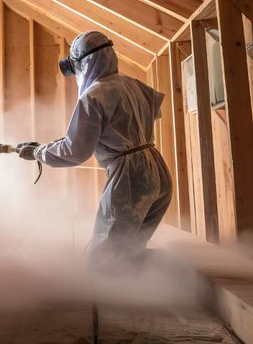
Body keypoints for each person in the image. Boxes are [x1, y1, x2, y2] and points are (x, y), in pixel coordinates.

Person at [17, 31, 172, 271]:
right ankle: (159, 283)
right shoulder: (135, 85)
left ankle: (171, 273)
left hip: (129, 179)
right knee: (130, 249)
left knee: (105, 262)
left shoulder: (93, 96)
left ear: (83, 64)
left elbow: (75, 150)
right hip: (157, 170)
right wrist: (44, 147)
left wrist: (39, 153)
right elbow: (116, 131)